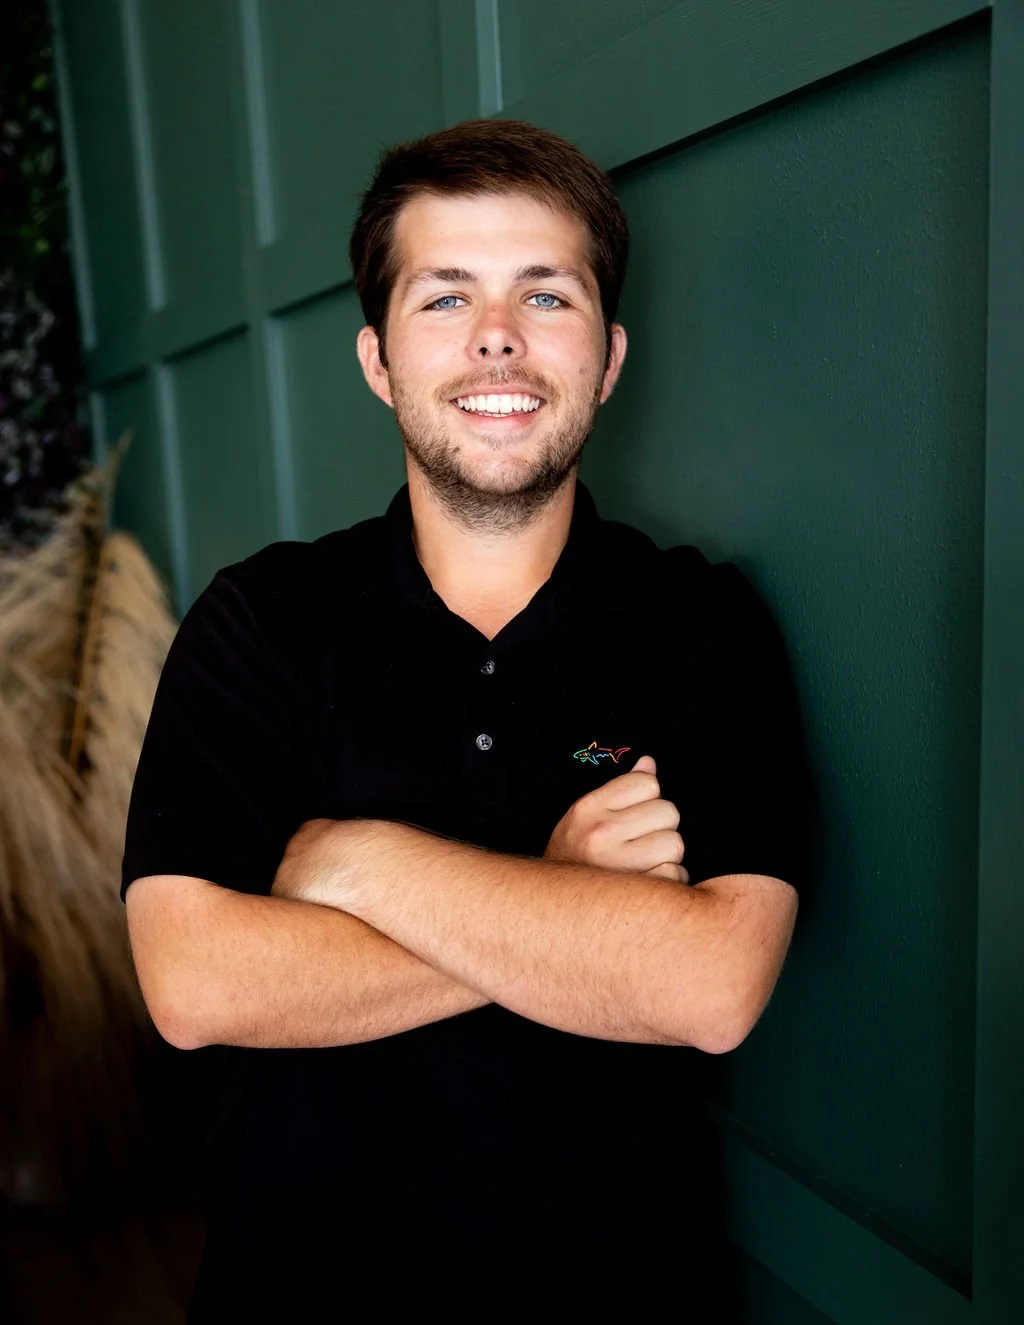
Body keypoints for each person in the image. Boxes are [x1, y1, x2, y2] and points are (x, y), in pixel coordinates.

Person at [123, 119, 812, 1322]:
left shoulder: (700, 621)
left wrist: (353, 858)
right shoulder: (261, 620)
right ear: (378, 361)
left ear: (607, 358)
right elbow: (195, 981)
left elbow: (708, 986)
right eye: (444, 298)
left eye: (546, 295)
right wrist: (560, 894)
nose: (497, 333)